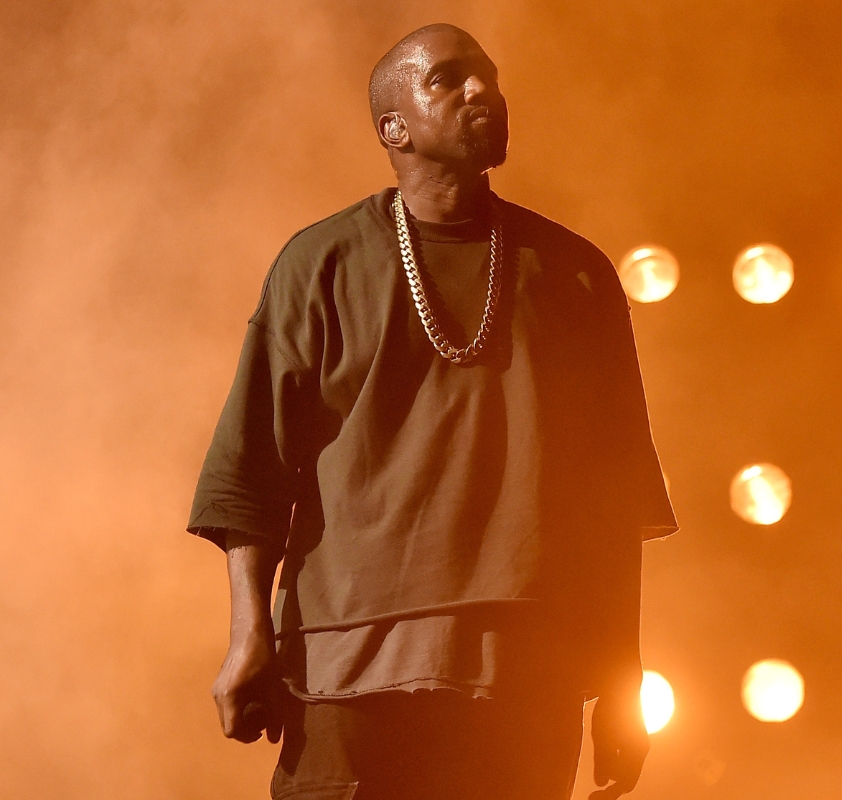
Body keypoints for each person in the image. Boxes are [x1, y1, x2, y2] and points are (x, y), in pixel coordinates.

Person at [187, 22, 677, 800]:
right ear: (395, 127)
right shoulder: (321, 264)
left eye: (489, 76)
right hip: (346, 665)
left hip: (525, 670)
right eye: (447, 79)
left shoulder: (576, 275)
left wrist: (625, 681)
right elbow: (252, 474)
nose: (482, 90)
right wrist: (249, 636)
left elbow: (613, 503)